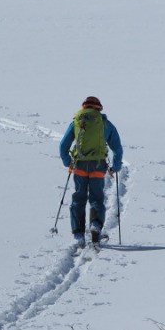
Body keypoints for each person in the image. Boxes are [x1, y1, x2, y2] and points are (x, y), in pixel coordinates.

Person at [59, 96, 123, 247]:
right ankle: (95, 224)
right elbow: (117, 148)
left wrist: (68, 162)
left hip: (79, 166)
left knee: (78, 198)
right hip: (98, 166)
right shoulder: (105, 123)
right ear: (99, 108)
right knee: (96, 198)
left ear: (84, 107)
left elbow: (63, 146)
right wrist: (116, 166)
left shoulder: (76, 121)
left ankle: (79, 234)